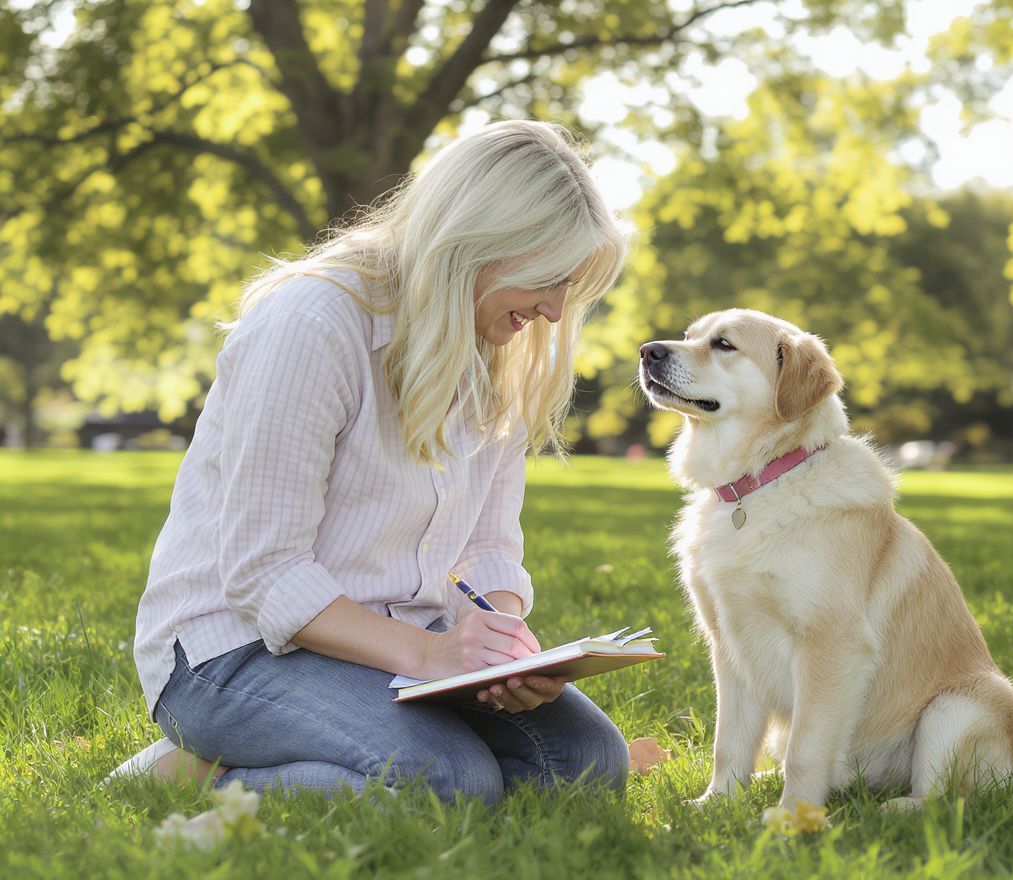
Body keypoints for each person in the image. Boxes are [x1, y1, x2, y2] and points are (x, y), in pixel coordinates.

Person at [107, 120, 631, 804]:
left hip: (399, 646)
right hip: (235, 653)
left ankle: (337, 759)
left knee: (586, 766)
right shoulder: (313, 324)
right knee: (449, 782)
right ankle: (188, 776)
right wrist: (428, 656)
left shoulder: (491, 350)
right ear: (479, 243)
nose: (557, 312)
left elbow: (488, 548)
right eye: (549, 279)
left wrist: (500, 642)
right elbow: (265, 573)